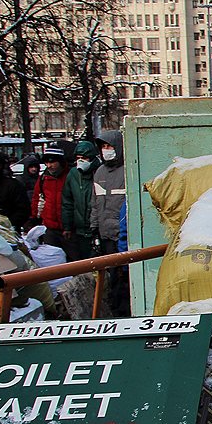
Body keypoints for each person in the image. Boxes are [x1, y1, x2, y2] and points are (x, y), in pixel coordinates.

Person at [91, 130, 129, 317]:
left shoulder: (128, 170)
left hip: (122, 234)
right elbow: (95, 204)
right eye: (103, 147)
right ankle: (116, 310)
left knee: (124, 278)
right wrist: (94, 228)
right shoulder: (99, 173)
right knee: (112, 278)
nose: (106, 150)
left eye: (110, 146)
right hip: (105, 234)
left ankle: (124, 311)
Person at [61, 141, 100, 261]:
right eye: (78, 158)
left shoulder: (100, 172)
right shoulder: (73, 175)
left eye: (84, 158)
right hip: (80, 230)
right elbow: (67, 201)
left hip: (97, 229)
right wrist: (67, 226)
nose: (81, 161)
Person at [31, 147, 69, 246]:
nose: (49, 166)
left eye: (52, 162)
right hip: (49, 228)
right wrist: (34, 217)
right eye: (46, 163)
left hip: (69, 229)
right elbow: (36, 199)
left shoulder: (70, 177)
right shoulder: (43, 179)